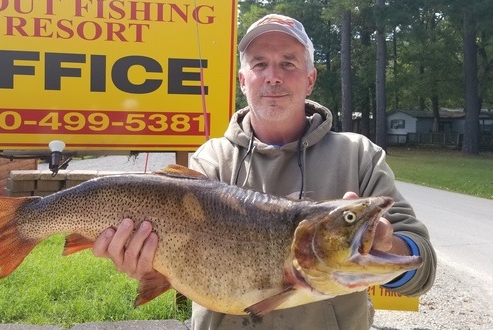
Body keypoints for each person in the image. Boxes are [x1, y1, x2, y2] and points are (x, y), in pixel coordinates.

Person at [92, 13, 437, 329]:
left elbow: (422, 269)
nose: (273, 76)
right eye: (260, 64)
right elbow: (172, 264)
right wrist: (140, 261)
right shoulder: (210, 161)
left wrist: (389, 245)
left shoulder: (358, 155)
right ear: (243, 80)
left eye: (288, 63)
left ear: (310, 78)